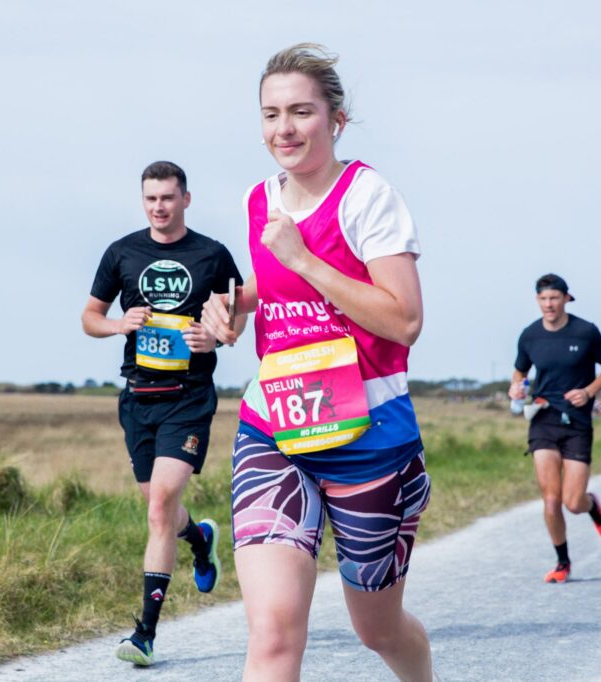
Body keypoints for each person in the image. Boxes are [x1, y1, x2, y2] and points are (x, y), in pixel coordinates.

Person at [201, 44, 433, 682]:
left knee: (377, 630)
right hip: (274, 427)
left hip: (368, 437)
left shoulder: (369, 197)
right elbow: (272, 289)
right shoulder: (259, 200)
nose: (284, 129)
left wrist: (304, 258)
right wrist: (232, 307)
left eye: (301, 112)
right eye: (271, 114)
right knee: (273, 632)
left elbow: (404, 320)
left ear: (335, 119)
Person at [81, 161, 244, 666]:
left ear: (185, 200)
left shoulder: (212, 255)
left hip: (189, 396)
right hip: (137, 398)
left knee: (159, 510)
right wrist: (118, 324)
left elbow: (239, 315)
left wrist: (215, 334)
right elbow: (89, 318)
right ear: (143, 201)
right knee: (163, 512)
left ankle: (145, 635)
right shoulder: (122, 253)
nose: (159, 207)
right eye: (150, 199)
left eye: (168, 198)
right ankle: (201, 538)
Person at [509, 274, 601, 584]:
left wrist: (589, 391)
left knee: (573, 501)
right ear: (537, 300)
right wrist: (516, 389)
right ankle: (562, 562)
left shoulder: (586, 331)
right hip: (544, 419)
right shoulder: (529, 335)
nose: (549, 305)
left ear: (566, 299)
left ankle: (592, 505)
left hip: (578, 422)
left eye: (554, 298)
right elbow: (518, 374)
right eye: (543, 299)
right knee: (551, 499)